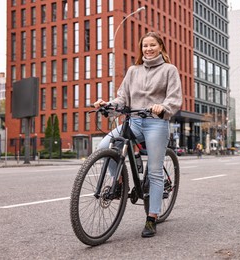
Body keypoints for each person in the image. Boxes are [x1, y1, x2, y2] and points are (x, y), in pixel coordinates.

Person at [94, 32, 182, 238]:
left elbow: (175, 98)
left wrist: (164, 107)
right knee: (104, 146)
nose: (148, 49)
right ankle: (120, 183)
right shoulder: (133, 71)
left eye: (152, 45)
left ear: (160, 47)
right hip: (132, 121)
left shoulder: (169, 70)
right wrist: (107, 105)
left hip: (155, 123)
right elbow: (122, 98)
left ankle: (152, 218)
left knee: (154, 171)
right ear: (141, 49)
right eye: (145, 46)